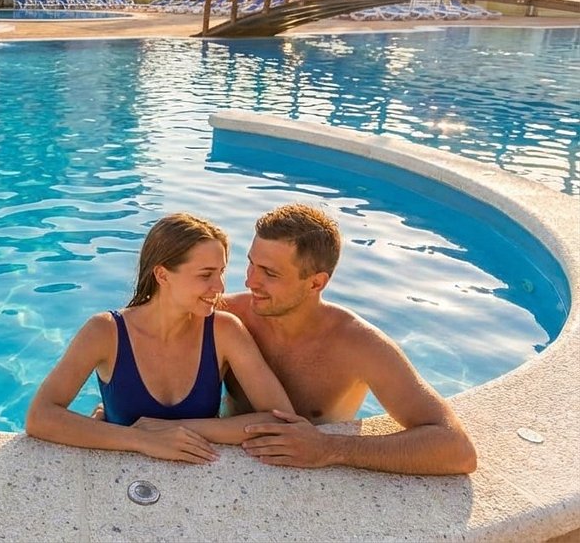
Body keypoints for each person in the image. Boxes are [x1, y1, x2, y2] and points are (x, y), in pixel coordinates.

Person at [223, 203, 478, 475]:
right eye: (251, 264)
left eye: (270, 273)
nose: (250, 282)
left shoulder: (358, 345)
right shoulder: (228, 316)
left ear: (316, 283)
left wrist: (329, 448)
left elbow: (457, 449)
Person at [25, 212, 294, 464]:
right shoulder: (105, 332)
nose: (220, 287)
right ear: (162, 275)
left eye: (221, 272)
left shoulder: (224, 331)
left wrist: (173, 429)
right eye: (206, 275)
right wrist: (141, 439)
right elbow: (40, 416)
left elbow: (281, 421)